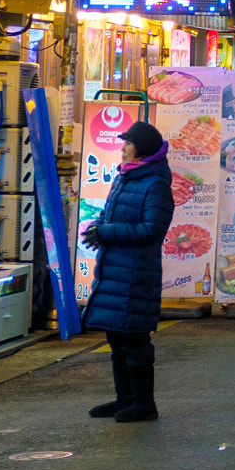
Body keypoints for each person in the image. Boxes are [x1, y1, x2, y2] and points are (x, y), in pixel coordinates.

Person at [80, 119, 172, 419]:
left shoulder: (156, 184)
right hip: (114, 270)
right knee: (116, 338)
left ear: (141, 150)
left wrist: (107, 232)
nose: (122, 149)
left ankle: (145, 404)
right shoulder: (125, 178)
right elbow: (109, 214)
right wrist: (97, 227)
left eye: (127, 144)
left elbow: (151, 229)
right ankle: (125, 399)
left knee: (135, 340)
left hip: (136, 274)